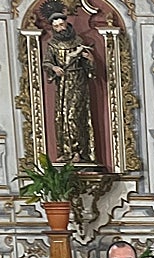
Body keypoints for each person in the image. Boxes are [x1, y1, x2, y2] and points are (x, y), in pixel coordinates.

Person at [41, 1, 95, 163]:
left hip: (77, 81)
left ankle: (79, 151)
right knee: (61, 117)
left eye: (62, 24)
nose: (60, 28)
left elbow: (91, 69)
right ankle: (65, 150)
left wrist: (89, 59)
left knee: (74, 116)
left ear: (66, 23)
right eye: (56, 26)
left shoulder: (78, 42)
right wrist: (54, 68)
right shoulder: (52, 45)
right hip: (63, 84)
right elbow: (46, 63)